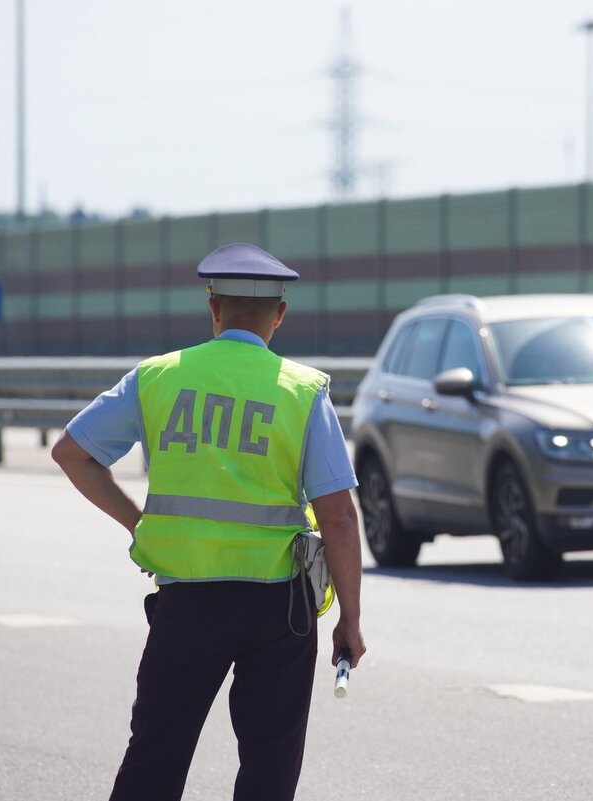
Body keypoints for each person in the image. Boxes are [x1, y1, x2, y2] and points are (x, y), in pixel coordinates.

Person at [51, 242, 366, 801]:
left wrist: (138, 523)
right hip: (280, 609)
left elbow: (73, 453)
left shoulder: (157, 377)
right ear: (280, 315)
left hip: (187, 605)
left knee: (154, 758)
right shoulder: (302, 390)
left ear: (213, 309)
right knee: (269, 768)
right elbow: (339, 517)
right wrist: (350, 621)